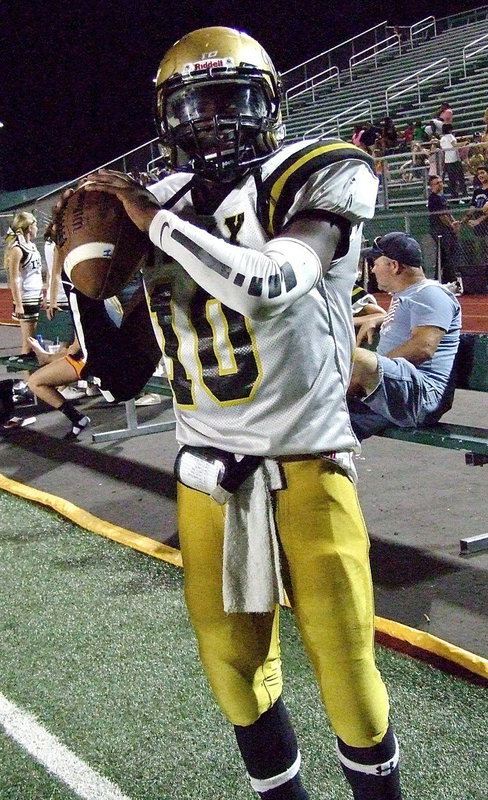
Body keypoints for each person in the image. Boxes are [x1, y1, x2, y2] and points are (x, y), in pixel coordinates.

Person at [61, 26, 404, 800]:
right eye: (197, 105)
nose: (216, 121)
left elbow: (265, 282)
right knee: (235, 674)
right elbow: (121, 372)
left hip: (307, 465)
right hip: (208, 477)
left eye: (234, 101)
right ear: (167, 118)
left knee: (347, 675)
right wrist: (87, 287)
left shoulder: (318, 171)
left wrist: (153, 224)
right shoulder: (163, 203)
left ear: (271, 107)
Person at [347, 232, 461, 441]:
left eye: (375, 263)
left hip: (421, 396)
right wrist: (374, 320)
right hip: (400, 388)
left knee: (356, 360)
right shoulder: (410, 295)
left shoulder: (430, 294)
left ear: (394, 266)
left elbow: (423, 347)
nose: (372, 269)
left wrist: (374, 367)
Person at [26, 337, 91, 440]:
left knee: (35, 382)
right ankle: (78, 419)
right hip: (106, 355)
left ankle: (77, 418)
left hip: (94, 360)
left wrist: (47, 356)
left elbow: (74, 350)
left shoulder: (83, 319)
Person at [4, 211, 43, 364]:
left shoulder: (31, 246)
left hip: (35, 296)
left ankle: (30, 378)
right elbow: (14, 278)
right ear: (28, 227)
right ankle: (27, 379)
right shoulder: (17, 249)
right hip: (26, 298)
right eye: (35, 225)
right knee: (29, 343)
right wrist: (18, 304)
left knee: (34, 341)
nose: (37, 228)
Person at [427, 175, 463, 292]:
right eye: (437, 183)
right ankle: (450, 280)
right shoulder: (433, 198)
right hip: (439, 230)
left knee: (443, 256)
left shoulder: (442, 197)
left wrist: (454, 223)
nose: (440, 184)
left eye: (440, 182)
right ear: (431, 186)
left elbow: (447, 212)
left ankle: (439, 280)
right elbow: (441, 215)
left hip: (446, 230)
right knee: (445, 255)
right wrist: (451, 225)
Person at [460, 164, 488, 283]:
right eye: (479, 173)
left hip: (485, 225)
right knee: (480, 253)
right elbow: (472, 208)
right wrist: (462, 221)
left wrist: (478, 220)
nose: (480, 175)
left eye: (483, 172)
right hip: (478, 229)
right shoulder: (477, 191)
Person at [439, 124, 467, 199]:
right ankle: (464, 195)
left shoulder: (442, 139)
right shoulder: (450, 136)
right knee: (461, 178)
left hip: (447, 160)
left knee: (452, 180)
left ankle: (454, 196)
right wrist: (464, 143)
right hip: (454, 159)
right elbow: (454, 145)